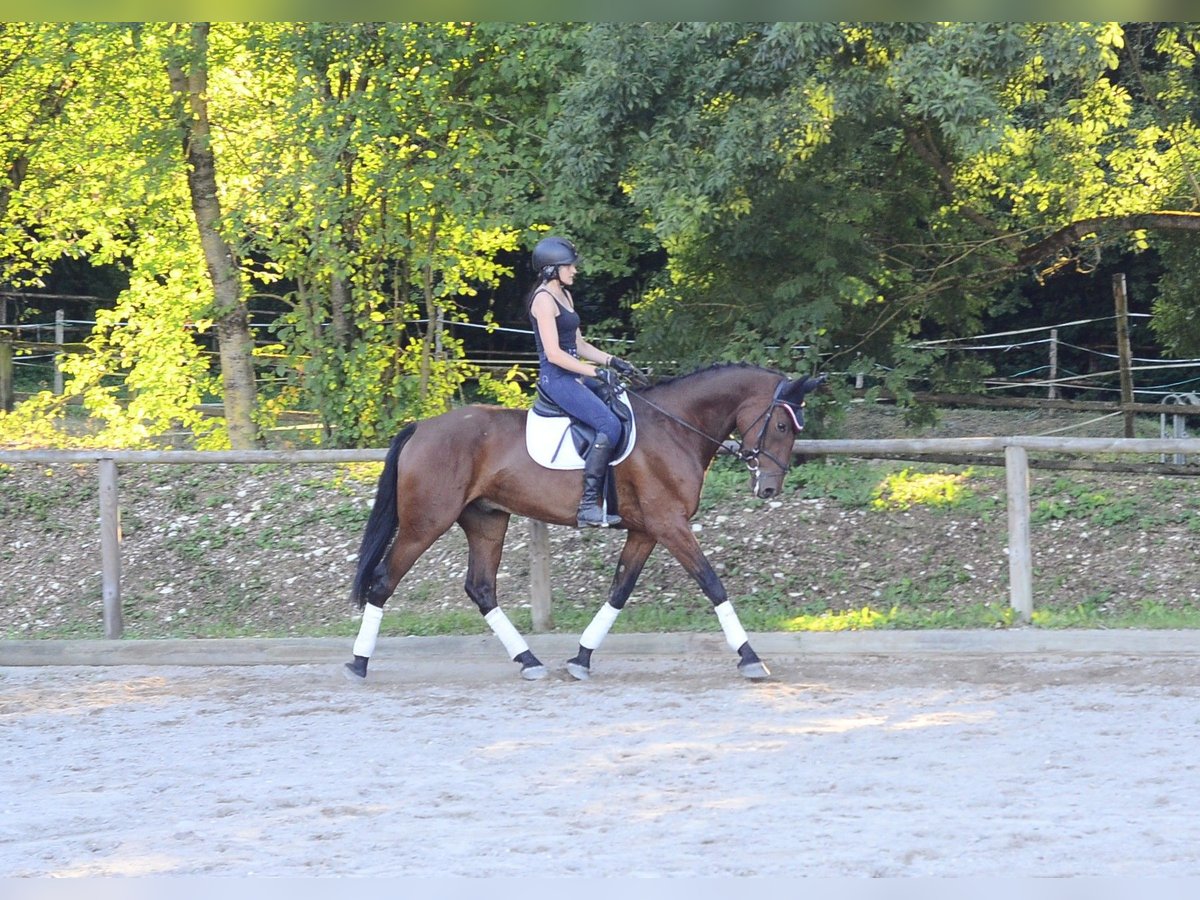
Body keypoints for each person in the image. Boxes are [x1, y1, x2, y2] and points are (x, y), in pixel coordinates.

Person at [526, 235, 637, 527]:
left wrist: (612, 361)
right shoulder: (543, 301)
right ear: (552, 268)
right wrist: (595, 372)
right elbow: (554, 354)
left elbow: (580, 345)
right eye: (569, 266)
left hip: (574, 374)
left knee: (620, 400)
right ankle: (588, 505)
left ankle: (617, 493)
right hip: (557, 380)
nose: (574, 271)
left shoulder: (565, 295)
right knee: (608, 424)